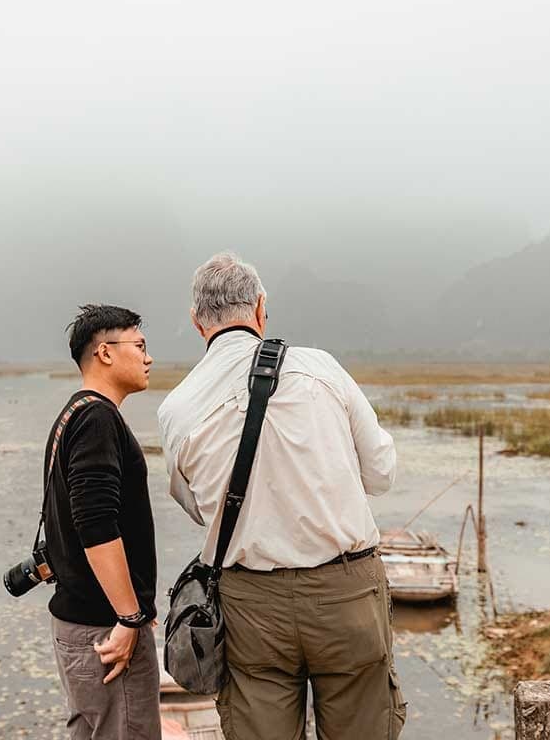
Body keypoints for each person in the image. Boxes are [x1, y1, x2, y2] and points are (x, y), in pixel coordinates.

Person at [157, 253, 407, 740]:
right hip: (346, 593)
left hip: (250, 604)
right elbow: (381, 474)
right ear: (260, 308)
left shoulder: (176, 408)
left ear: (196, 321)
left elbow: (198, 510)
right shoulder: (321, 370)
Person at [43, 304, 160, 739]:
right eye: (140, 346)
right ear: (105, 354)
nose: (148, 358)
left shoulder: (73, 414)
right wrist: (129, 616)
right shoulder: (97, 418)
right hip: (103, 627)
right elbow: (95, 524)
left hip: (79, 622)